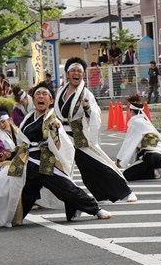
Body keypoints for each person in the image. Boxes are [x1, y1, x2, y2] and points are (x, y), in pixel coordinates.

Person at [0, 81, 111, 229]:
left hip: (45, 162)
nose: (41, 96)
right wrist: (9, 154)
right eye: (38, 94)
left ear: (51, 100)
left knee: (67, 189)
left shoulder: (53, 120)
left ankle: (96, 209)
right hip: (24, 161)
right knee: (0, 185)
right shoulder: (28, 119)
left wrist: (55, 133)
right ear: (34, 100)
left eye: (45, 94)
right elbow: (22, 142)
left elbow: (60, 146)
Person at [54, 57, 136, 203]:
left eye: (79, 71)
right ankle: (98, 196)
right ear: (67, 74)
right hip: (62, 136)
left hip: (79, 135)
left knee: (96, 164)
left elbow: (95, 115)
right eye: (73, 70)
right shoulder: (60, 91)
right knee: (67, 169)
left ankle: (125, 191)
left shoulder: (86, 94)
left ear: (83, 74)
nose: (76, 73)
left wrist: (87, 108)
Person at [116, 95, 161, 181]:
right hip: (147, 156)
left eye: (128, 109)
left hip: (152, 153)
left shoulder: (135, 122)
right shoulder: (143, 121)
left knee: (153, 156)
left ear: (131, 111)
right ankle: (155, 173)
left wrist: (119, 158)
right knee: (127, 174)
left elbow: (128, 142)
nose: (127, 111)